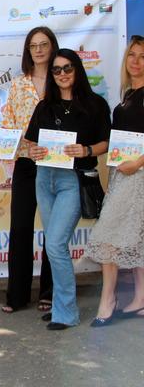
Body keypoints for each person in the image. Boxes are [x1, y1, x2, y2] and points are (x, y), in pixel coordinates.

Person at [26, 48, 110, 330]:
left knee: (54, 244)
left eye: (67, 68)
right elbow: (32, 143)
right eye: (56, 69)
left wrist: (86, 149)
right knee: (54, 245)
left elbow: (107, 142)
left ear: (77, 70)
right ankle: (61, 304)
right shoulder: (44, 106)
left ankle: (66, 313)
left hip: (72, 180)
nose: (62, 74)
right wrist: (34, 151)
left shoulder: (95, 104)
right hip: (44, 178)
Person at [85, 35, 144, 326]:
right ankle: (141, 299)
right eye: (132, 55)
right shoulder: (129, 94)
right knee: (138, 238)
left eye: (143, 56)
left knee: (107, 238)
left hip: (138, 174)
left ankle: (108, 299)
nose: (136, 61)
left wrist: (138, 163)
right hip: (124, 174)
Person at [1, 26, 58, 314]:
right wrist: (5, 147)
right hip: (25, 163)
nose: (38, 50)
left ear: (52, 46)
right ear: (28, 50)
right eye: (33, 45)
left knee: (54, 231)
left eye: (43, 44)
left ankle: (49, 293)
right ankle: (17, 296)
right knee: (21, 228)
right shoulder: (17, 85)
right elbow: (9, 123)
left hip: (56, 164)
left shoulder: (62, 81)